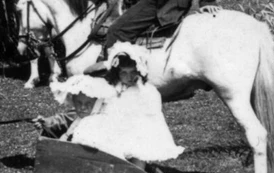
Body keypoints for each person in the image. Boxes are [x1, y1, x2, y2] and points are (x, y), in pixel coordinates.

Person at [36, 47, 185, 164]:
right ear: (117, 73)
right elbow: (90, 110)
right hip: (111, 128)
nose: (128, 77)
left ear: (140, 71)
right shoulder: (111, 89)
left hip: (136, 131)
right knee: (88, 132)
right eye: (123, 73)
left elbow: (151, 118)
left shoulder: (146, 92)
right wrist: (63, 130)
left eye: (132, 72)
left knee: (139, 153)